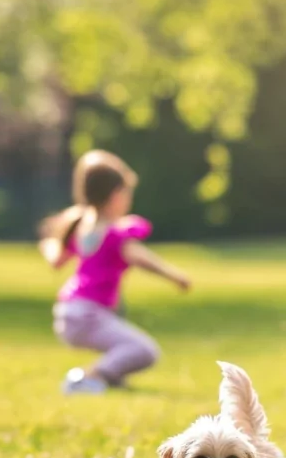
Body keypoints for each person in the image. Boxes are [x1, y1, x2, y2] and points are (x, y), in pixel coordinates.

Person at [39, 150, 190, 394]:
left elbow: (56, 260)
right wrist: (175, 276)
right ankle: (86, 379)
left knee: (123, 341)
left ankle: (109, 377)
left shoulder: (80, 226)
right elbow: (139, 258)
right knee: (145, 351)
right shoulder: (116, 234)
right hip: (88, 315)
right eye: (126, 192)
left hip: (69, 313)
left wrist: (47, 246)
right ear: (115, 195)